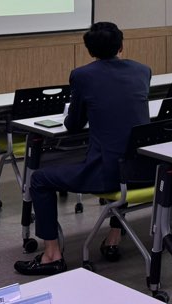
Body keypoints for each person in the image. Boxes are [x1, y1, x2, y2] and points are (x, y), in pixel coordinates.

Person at [14, 22, 151, 275]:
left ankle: (51, 255)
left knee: (40, 179)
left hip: (108, 173)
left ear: (90, 51)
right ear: (121, 46)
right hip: (144, 170)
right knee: (123, 148)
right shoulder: (142, 71)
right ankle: (113, 236)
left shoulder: (83, 76)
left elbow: (74, 124)